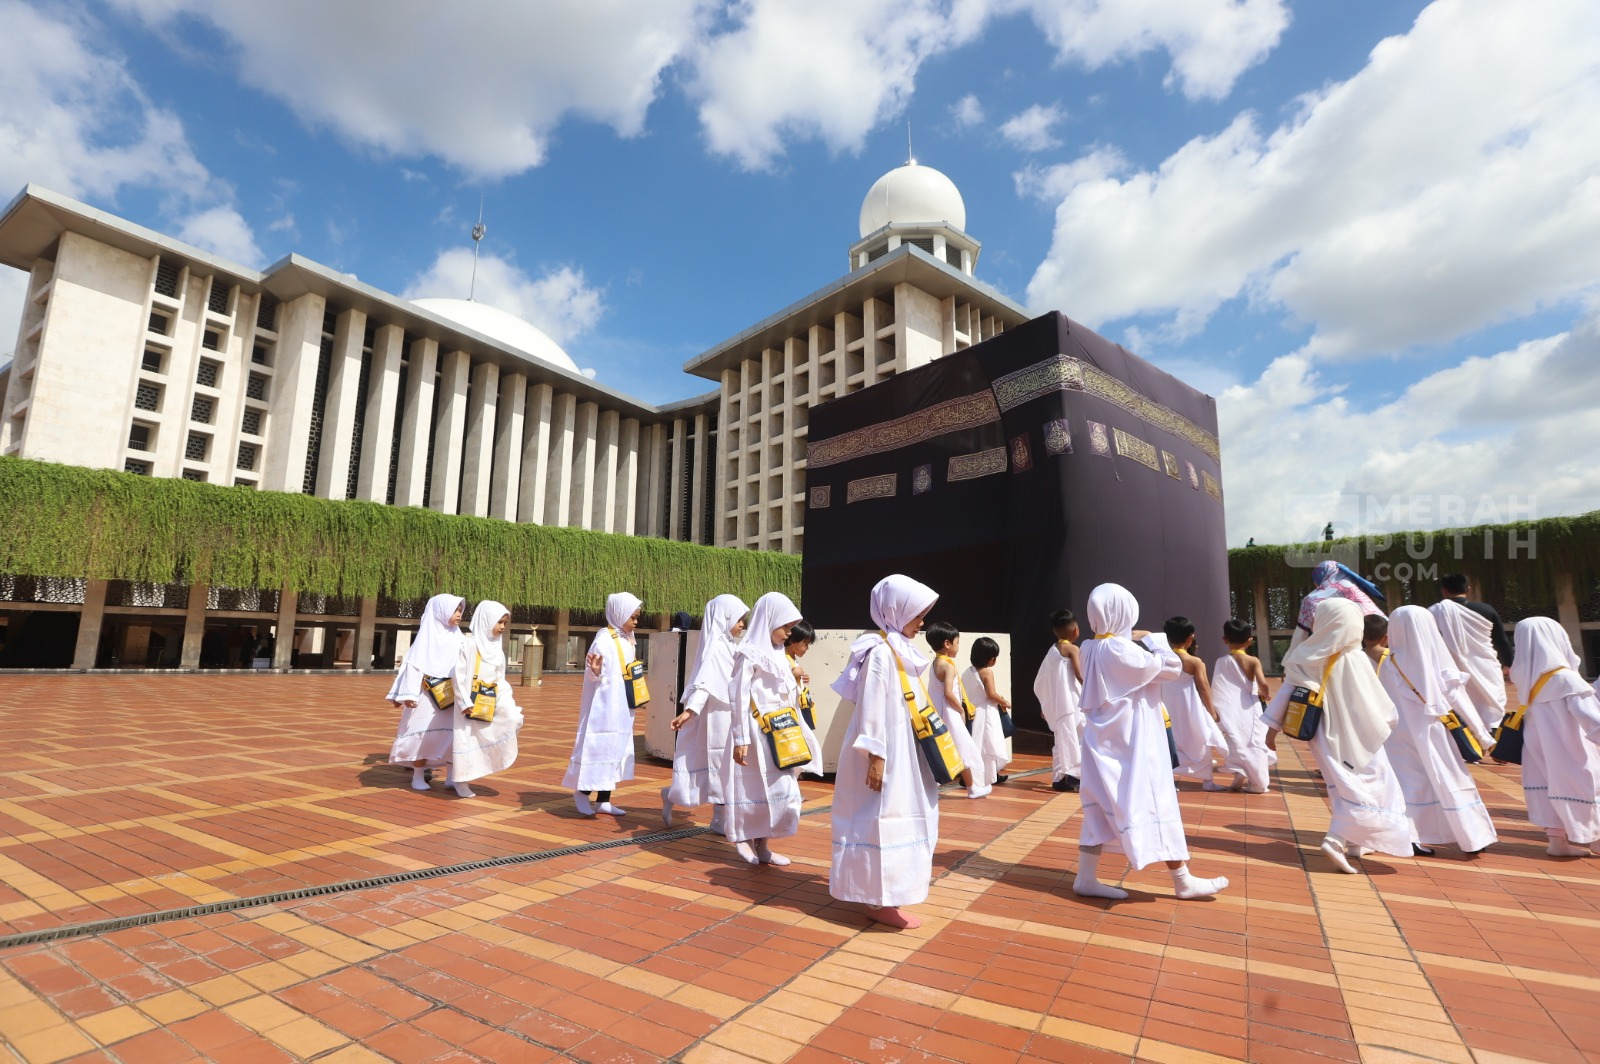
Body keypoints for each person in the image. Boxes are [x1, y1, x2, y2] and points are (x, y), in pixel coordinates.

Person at [1072, 584, 1229, 901]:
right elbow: (1171, 666)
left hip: (1102, 744)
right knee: (1157, 802)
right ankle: (1183, 881)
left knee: (1099, 811)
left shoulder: (1089, 647)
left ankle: (1086, 878)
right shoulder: (1121, 650)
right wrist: (1153, 637)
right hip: (1134, 745)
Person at [830, 574, 970, 929]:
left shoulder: (895, 649)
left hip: (904, 753)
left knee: (901, 817)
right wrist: (876, 758)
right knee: (881, 820)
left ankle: (883, 894)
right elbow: (872, 707)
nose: (922, 623)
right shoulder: (880, 652)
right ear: (896, 610)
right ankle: (879, 900)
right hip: (885, 754)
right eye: (917, 614)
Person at [1266, 598, 1414, 872]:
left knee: (1343, 786)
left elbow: (1286, 694)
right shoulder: (1356, 658)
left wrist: (1270, 733)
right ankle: (1335, 840)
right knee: (1374, 786)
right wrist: (1389, 722)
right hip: (1361, 740)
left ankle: (1356, 842)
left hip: (1322, 737)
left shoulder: (1305, 655)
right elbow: (1379, 705)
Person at [1373, 607, 1497, 855]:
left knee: (1409, 784)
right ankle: (1473, 837)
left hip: (1398, 736)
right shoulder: (1435, 661)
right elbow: (1458, 698)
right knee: (1451, 778)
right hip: (1433, 731)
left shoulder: (1388, 662)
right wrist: (1482, 735)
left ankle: (1411, 837)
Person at [727, 592, 812, 865]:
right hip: (755, 731)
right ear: (769, 620)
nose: (789, 633)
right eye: (785, 627)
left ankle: (763, 844)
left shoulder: (779, 655)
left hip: (781, 732)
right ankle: (742, 839)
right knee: (751, 788)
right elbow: (738, 695)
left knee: (778, 789)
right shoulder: (748, 654)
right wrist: (740, 737)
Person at [1510, 617, 1600, 857]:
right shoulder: (1566, 678)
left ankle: (1557, 842)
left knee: (1548, 787)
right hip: (1572, 747)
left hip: (1539, 747)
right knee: (1588, 787)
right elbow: (1592, 718)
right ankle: (1596, 840)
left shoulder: (1524, 677)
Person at [663, 594, 747, 830]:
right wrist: (689, 711)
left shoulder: (730, 645)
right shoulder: (716, 648)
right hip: (715, 718)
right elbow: (705, 684)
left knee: (724, 767)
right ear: (725, 617)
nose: (742, 625)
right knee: (720, 764)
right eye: (739, 620)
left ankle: (713, 816)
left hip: (728, 715)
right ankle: (716, 818)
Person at [564, 592, 644, 817]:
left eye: (637, 617)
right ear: (619, 614)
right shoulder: (604, 639)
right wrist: (595, 671)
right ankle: (582, 792)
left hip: (621, 706)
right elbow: (593, 672)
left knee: (617, 748)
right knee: (599, 748)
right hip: (605, 706)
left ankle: (604, 799)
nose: (636, 622)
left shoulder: (627, 639)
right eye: (633, 617)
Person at [387, 594, 466, 791]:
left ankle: (451, 776)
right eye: (455, 610)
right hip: (426, 698)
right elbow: (413, 666)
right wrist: (408, 695)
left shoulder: (459, 637)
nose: (459, 615)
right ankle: (418, 775)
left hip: (450, 697)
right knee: (422, 736)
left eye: (460, 610)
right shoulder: (426, 638)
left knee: (452, 737)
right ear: (441, 611)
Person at [446, 600, 524, 798]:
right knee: (465, 739)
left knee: (511, 720)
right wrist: (464, 702)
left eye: (504, 623)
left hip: (489, 700)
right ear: (487, 620)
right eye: (499, 622)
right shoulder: (470, 644)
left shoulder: (497, 649)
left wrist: (508, 705)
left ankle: (467, 773)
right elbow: (459, 675)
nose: (502, 627)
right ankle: (460, 781)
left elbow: (500, 679)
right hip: (469, 702)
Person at [1430, 574, 1512, 742]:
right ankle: (1494, 734)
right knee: (1491, 702)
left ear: (1444, 591)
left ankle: (1469, 738)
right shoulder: (1487, 610)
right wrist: (1509, 664)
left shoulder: (1434, 612)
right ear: (1468, 589)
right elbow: (1502, 640)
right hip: (1487, 666)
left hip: (1452, 667)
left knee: (1462, 703)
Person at [924, 621, 990, 799]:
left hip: (938, 714)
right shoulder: (948, 666)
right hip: (950, 714)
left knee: (939, 751)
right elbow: (948, 692)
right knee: (964, 749)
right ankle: (973, 788)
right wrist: (960, 708)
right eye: (957, 642)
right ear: (947, 644)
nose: (958, 646)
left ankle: (932, 788)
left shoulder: (935, 663)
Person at [1161, 617, 1228, 788]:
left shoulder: (1161, 657)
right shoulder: (1194, 662)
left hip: (1166, 706)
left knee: (1168, 740)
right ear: (1190, 638)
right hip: (1190, 707)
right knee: (1201, 738)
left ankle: (1167, 778)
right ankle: (1208, 781)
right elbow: (1204, 688)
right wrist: (1211, 711)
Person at [1211, 619, 1274, 793]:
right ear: (1249, 641)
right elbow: (1263, 683)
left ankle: (1240, 772)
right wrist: (1265, 693)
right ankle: (1257, 783)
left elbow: (1218, 688)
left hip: (1230, 709)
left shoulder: (1220, 662)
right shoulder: (1253, 660)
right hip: (1250, 707)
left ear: (1225, 640)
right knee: (1253, 742)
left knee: (1236, 741)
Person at [1034, 610, 1084, 792]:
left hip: (1059, 704)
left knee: (1061, 740)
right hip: (1072, 703)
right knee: (1076, 739)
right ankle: (1074, 775)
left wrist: (1046, 703)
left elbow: (1043, 680)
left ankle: (1059, 778)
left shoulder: (1052, 651)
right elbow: (1080, 675)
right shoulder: (1072, 649)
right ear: (1075, 630)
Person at [963, 637, 1013, 788]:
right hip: (986, 711)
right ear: (990, 658)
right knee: (990, 743)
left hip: (973, 712)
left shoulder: (967, 672)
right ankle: (988, 775)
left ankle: (975, 775)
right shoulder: (987, 673)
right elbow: (991, 694)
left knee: (977, 744)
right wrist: (1004, 701)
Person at [785, 621, 826, 778]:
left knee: (803, 749)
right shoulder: (784, 659)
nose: (807, 648)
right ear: (793, 640)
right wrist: (793, 674)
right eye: (805, 644)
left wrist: (801, 678)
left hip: (801, 710)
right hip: (793, 713)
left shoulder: (792, 659)